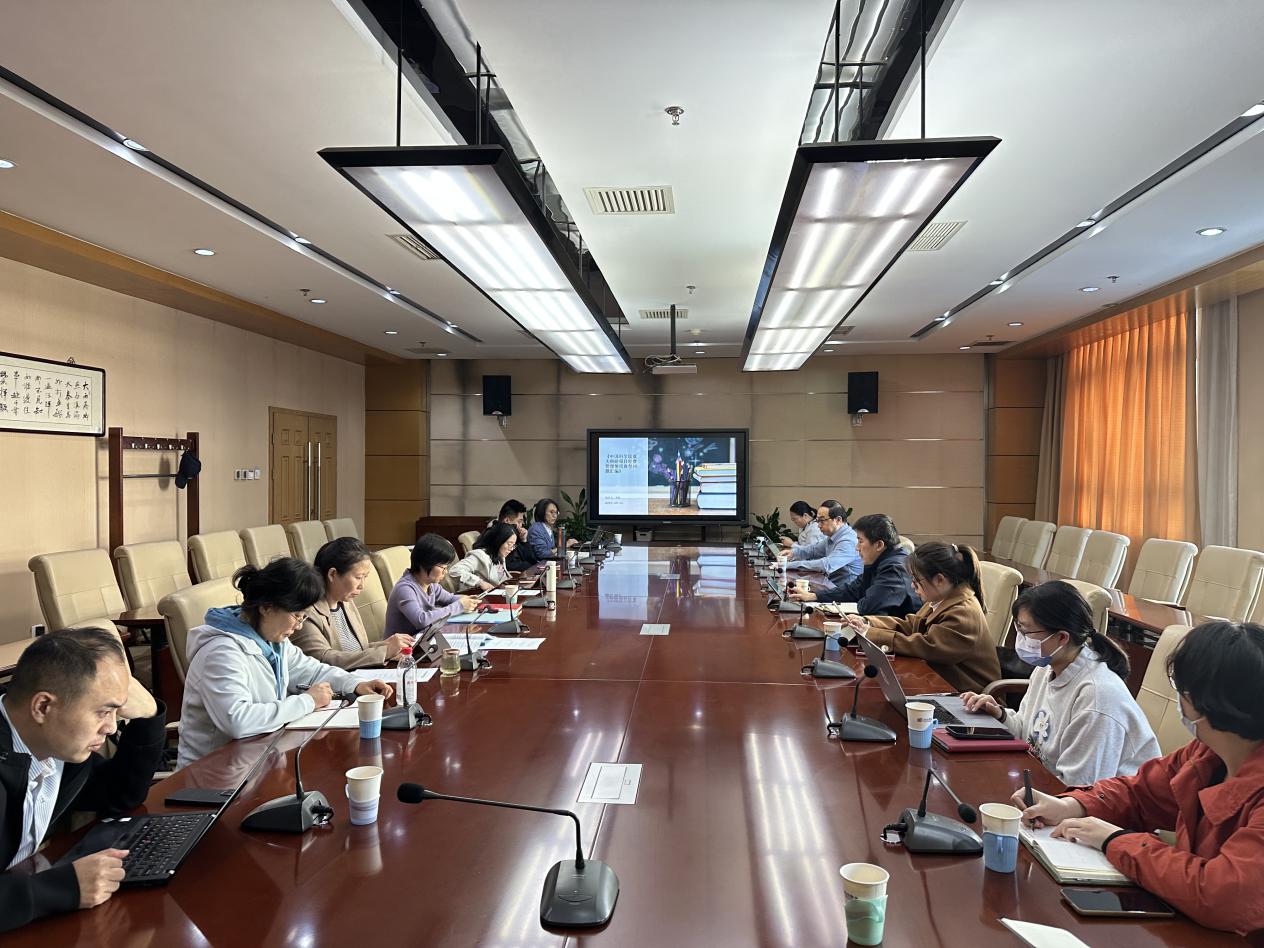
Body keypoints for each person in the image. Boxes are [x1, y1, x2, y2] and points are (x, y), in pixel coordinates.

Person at [1012, 621, 1264, 936]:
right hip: (1190, 922)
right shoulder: (1207, 752)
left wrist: (1114, 840)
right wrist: (1073, 805)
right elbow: (1140, 793)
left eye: (1181, 690)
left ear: (1208, 704)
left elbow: (1222, 895)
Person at [1, 628, 166, 932]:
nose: (111, 727)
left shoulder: (57, 746)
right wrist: (62, 887)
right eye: (103, 712)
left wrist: (148, 718)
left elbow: (119, 795)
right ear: (43, 707)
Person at [178, 559, 393, 767]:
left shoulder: (271, 639)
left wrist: (354, 684)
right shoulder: (222, 652)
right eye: (297, 616)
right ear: (266, 607)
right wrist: (308, 701)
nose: (299, 626)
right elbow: (238, 720)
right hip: (213, 775)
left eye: (303, 617)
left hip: (259, 760)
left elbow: (310, 670)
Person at [959, 581, 1158, 785]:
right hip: (1044, 783)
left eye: (1026, 632)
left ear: (1062, 637)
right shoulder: (1048, 667)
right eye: (1018, 629)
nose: (1020, 639)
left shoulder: (1097, 698)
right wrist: (1000, 715)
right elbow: (1028, 735)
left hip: (1092, 801)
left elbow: (1081, 788)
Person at [848, 541, 999, 693]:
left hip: (969, 696)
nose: (912, 586)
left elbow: (928, 647)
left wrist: (870, 633)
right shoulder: (942, 598)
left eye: (916, 580)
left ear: (939, 580)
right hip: (940, 683)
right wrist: (868, 622)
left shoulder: (963, 612)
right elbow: (911, 624)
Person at [290, 538, 414, 670]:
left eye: (365, 577)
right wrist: (385, 651)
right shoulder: (306, 613)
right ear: (332, 574)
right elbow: (323, 659)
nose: (362, 586)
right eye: (358, 577)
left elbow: (357, 650)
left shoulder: (346, 602)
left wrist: (385, 646)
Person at [790, 513, 920, 617]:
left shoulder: (895, 568)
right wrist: (814, 596)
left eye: (860, 541)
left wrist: (862, 598)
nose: (857, 547)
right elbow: (853, 590)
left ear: (879, 545)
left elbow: (868, 607)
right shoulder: (880, 561)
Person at [384, 534, 478, 636]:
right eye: (443, 567)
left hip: (424, 639)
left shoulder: (431, 585)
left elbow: (450, 598)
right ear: (425, 563)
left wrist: (467, 600)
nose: (445, 572)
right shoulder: (405, 589)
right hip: (403, 645)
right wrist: (459, 606)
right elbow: (421, 620)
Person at [781, 502, 862, 582]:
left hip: (843, 588)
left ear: (838, 520)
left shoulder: (848, 540)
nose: (818, 525)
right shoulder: (833, 536)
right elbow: (813, 550)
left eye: (822, 520)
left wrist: (788, 565)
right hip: (830, 583)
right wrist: (793, 553)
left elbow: (826, 565)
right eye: (817, 521)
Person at [449, 523, 515, 592]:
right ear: (498, 541)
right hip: (477, 596)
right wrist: (480, 582)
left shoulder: (499, 554)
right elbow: (455, 570)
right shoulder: (480, 556)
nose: (511, 548)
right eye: (509, 544)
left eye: (513, 545)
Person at [494, 499, 538, 572]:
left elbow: (532, 560)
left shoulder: (514, 535)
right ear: (507, 520)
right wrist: (530, 566)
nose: (521, 525)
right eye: (519, 521)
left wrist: (524, 541)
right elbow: (508, 565)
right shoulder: (496, 535)